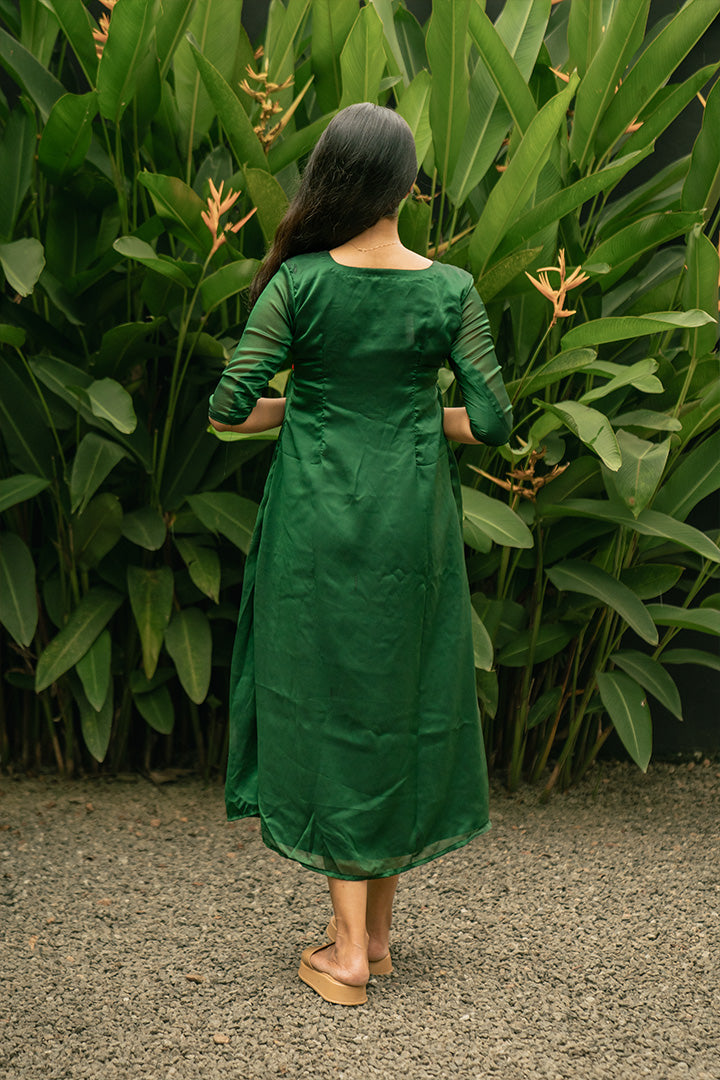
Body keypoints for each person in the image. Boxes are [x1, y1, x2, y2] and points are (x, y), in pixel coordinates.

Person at [208, 102, 513, 1006]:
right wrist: (414, 415)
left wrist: (307, 407)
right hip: (411, 525)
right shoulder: (451, 289)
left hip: (316, 522)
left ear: (329, 181)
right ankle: (374, 939)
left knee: (328, 705)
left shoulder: (298, 285)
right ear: (408, 187)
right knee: (397, 698)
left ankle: (344, 958)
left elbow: (230, 408)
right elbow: (492, 422)